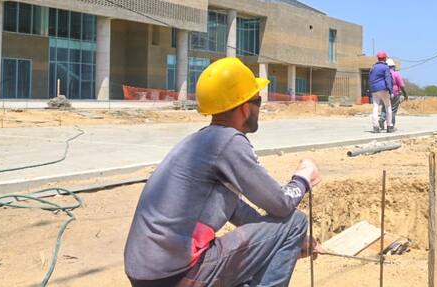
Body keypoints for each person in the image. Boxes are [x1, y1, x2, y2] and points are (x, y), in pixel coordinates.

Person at [124, 57, 322, 287]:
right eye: (257, 101)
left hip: (147, 275)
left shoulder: (201, 142)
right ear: (244, 107)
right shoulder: (228, 141)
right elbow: (280, 204)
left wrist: (281, 240)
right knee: (295, 220)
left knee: (288, 230)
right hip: (177, 273)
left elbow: (235, 210)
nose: (260, 108)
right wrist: (303, 178)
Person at [368, 51, 394, 133]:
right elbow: (388, 79)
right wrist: (390, 90)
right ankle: (389, 126)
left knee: (375, 107)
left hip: (374, 90)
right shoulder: (385, 67)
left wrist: (370, 89)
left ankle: (375, 127)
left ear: (378, 58)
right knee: (388, 107)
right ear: (385, 58)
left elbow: (370, 79)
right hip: (383, 89)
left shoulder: (373, 67)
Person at [386, 58, 408, 132]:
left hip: (385, 93)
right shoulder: (396, 74)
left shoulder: (384, 74)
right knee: (393, 110)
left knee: (385, 109)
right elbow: (401, 85)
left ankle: (382, 119)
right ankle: (391, 126)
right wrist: (405, 95)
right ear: (393, 66)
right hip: (395, 94)